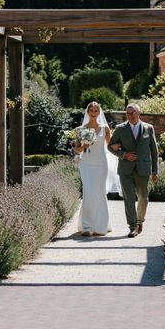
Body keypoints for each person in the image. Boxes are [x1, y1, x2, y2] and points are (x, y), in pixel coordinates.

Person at [108, 103, 159, 238]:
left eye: (132, 113)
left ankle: (140, 220)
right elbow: (110, 147)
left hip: (143, 169)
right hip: (125, 169)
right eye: (127, 114)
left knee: (143, 197)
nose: (129, 116)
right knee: (129, 198)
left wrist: (155, 171)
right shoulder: (120, 129)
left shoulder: (149, 128)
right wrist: (124, 154)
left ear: (139, 113)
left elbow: (154, 151)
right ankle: (133, 227)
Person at [74, 101, 121, 236]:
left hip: (101, 165)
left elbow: (110, 146)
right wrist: (84, 146)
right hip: (87, 165)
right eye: (91, 111)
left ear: (99, 113)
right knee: (88, 192)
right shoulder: (81, 129)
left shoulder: (105, 128)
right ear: (88, 112)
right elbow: (77, 150)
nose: (94, 113)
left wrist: (121, 150)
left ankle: (101, 226)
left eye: (96, 111)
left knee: (99, 192)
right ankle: (87, 226)